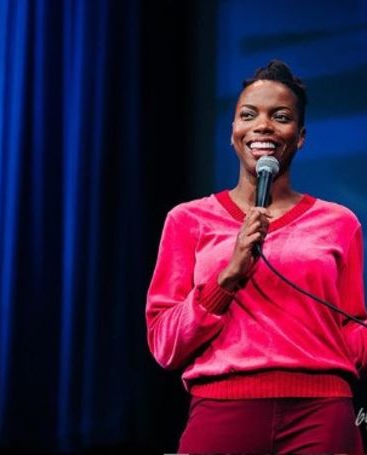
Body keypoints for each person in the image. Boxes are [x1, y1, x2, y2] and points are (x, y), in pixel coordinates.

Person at [145, 60, 367, 454]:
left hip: (322, 412)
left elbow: (352, 330)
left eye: (280, 117)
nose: (262, 126)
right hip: (222, 409)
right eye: (248, 115)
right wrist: (226, 278)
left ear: (299, 137)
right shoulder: (187, 220)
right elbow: (165, 345)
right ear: (233, 132)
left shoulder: (340, 223)